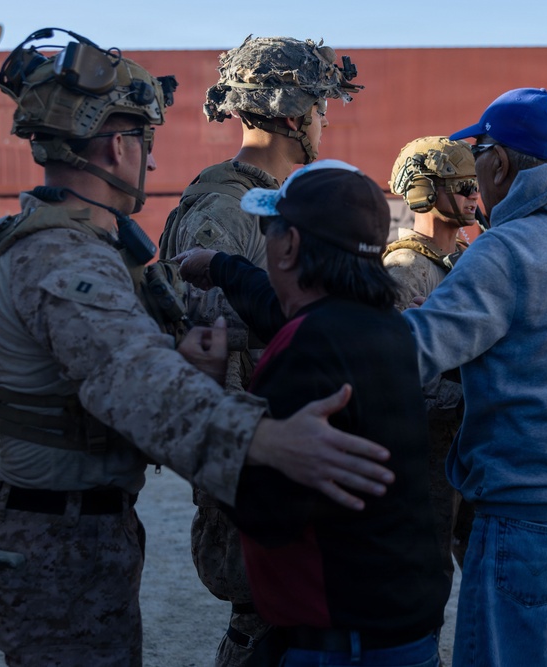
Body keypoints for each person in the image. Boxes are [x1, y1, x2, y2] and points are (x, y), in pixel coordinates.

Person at [0, 29, 391, 666]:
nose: (153, 162)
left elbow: (113, 381)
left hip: (83, 524)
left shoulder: (82, 245)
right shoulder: (64, 256)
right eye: (145, 143)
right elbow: (136, 385)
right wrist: (269, 441)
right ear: (117, 146)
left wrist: (188, 361)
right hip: (59, 533)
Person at [399, 88, 547, 666]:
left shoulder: (504, 250)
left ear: (500, 162)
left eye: (479, 153)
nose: (473, 172)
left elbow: (411, 358)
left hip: (534, 526)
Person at [179, 160, 450, 667]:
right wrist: (221, 265)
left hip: (339, 643)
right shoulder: (383, 328)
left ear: (289, 247)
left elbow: (263, 513)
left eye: (271, 230)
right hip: (396, 627)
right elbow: (286, 306)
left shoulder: (307, 349)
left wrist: (210, 389)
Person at [156, 35, 362, 666]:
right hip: (249, 448)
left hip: (271, 440)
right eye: (322, 107)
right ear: (297, 116)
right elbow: (203, 333)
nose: (325, 121)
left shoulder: (263, 198)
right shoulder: (227, 206)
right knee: (268, 618)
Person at [384, 135, 478, 575]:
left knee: (485, 563)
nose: (474, 196)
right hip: (425, 449)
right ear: (423, 191)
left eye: (474, 185)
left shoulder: (473, 260)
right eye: (462, 187)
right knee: (426, 573)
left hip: (470, 441)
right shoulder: (403, 270)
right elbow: (402, 374)